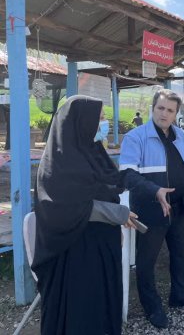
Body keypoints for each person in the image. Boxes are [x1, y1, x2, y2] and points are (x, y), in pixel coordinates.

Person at [32, 95, 135, 335]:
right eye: (98, 119)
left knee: (103, 307)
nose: (104, 123)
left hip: (101, 247)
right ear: (80, 123)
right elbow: (68, 208)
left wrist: (116, 223)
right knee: (82, 312)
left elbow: (108, 188)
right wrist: (118, 214)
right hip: (75, 255)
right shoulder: (57, 165)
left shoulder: (93, 152)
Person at [119, 90, 184, 329]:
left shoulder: (178, 134)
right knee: (146, 261)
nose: (164, 114)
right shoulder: (136, 137)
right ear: (152, 108)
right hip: (151, 210)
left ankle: (179, 295)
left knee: (181, 253)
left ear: (176, 114)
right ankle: (152, 306)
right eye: (160, 108)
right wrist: (155, 190)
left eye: (170, 110)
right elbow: (127, 174)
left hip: (180, 208)